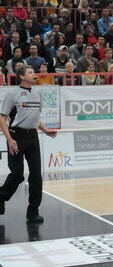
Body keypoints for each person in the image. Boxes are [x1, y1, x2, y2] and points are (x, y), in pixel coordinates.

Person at [0, 66, 58, 224]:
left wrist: (45, 130)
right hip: (15, 136)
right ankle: (1, 197)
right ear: (22, 77)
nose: (35, 75)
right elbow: (2, 118)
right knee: (17, 175)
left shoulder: (37, 93)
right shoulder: (12, 94)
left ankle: (33, 212)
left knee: (36, 177)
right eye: (31, 72)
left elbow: (35, 117)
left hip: (32, 137)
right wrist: (9, 139)